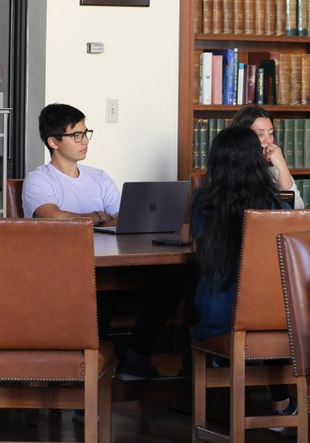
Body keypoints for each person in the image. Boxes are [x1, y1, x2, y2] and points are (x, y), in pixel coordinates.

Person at [23, 103, 166, 381]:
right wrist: (100, 217)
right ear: (53, 142)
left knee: (168, 285)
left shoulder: (98, 177)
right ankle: (86, 381)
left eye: (86, 132)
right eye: (76, 135)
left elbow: (123, 217)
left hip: (110, 263)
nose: (85, 140)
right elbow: (53, 216)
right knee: (101, 292)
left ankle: (134, 358)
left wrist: (97, 219)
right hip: (63, 273)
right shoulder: (39, 180)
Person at [191, 124, 293, 417]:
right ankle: (281, 405)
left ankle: (220, 390)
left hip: (218, 316)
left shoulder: (202, 203)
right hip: (266, 318)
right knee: (273, 310)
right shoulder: (272, 206)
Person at [231, 105, 304, 207]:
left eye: (271, 133)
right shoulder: (228, 171)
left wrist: (282, 167)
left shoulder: (274, 171)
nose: (269, 141)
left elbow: (297, 209)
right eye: (260, 134)